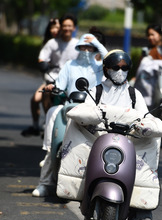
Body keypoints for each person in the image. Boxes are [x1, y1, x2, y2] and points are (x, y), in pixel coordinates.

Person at [85, 50, 162, 220]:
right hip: (100, 143)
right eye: (115, 68)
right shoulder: (96, 91)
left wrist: (144, 126)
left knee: (144, 177)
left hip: (128, 145)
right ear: (106, 69)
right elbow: (86, 113)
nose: (120, 71)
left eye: (124, 68)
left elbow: (146, 118)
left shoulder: (134, 94)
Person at [32, 33, 108, 197]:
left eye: (90, 47)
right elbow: (60, 84)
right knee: (53, 112)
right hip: (70, 106)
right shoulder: (69, 65)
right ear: (78, 48)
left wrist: (96, 42)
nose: (86, 50)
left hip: (92, 110)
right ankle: (45, 181)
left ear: (95, 48)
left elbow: (109, 58)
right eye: (83, 46)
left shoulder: (100, 66)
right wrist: (53, 87)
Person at [21, 18, 61, 137]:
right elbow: (42, 60)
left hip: (63, 80)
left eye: (57, 27)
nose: (54, 30)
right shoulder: (48, 43)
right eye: (52, 27)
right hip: (49, 79)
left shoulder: (66, 44)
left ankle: (49, 124)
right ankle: (36, 126)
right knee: (35, 99)